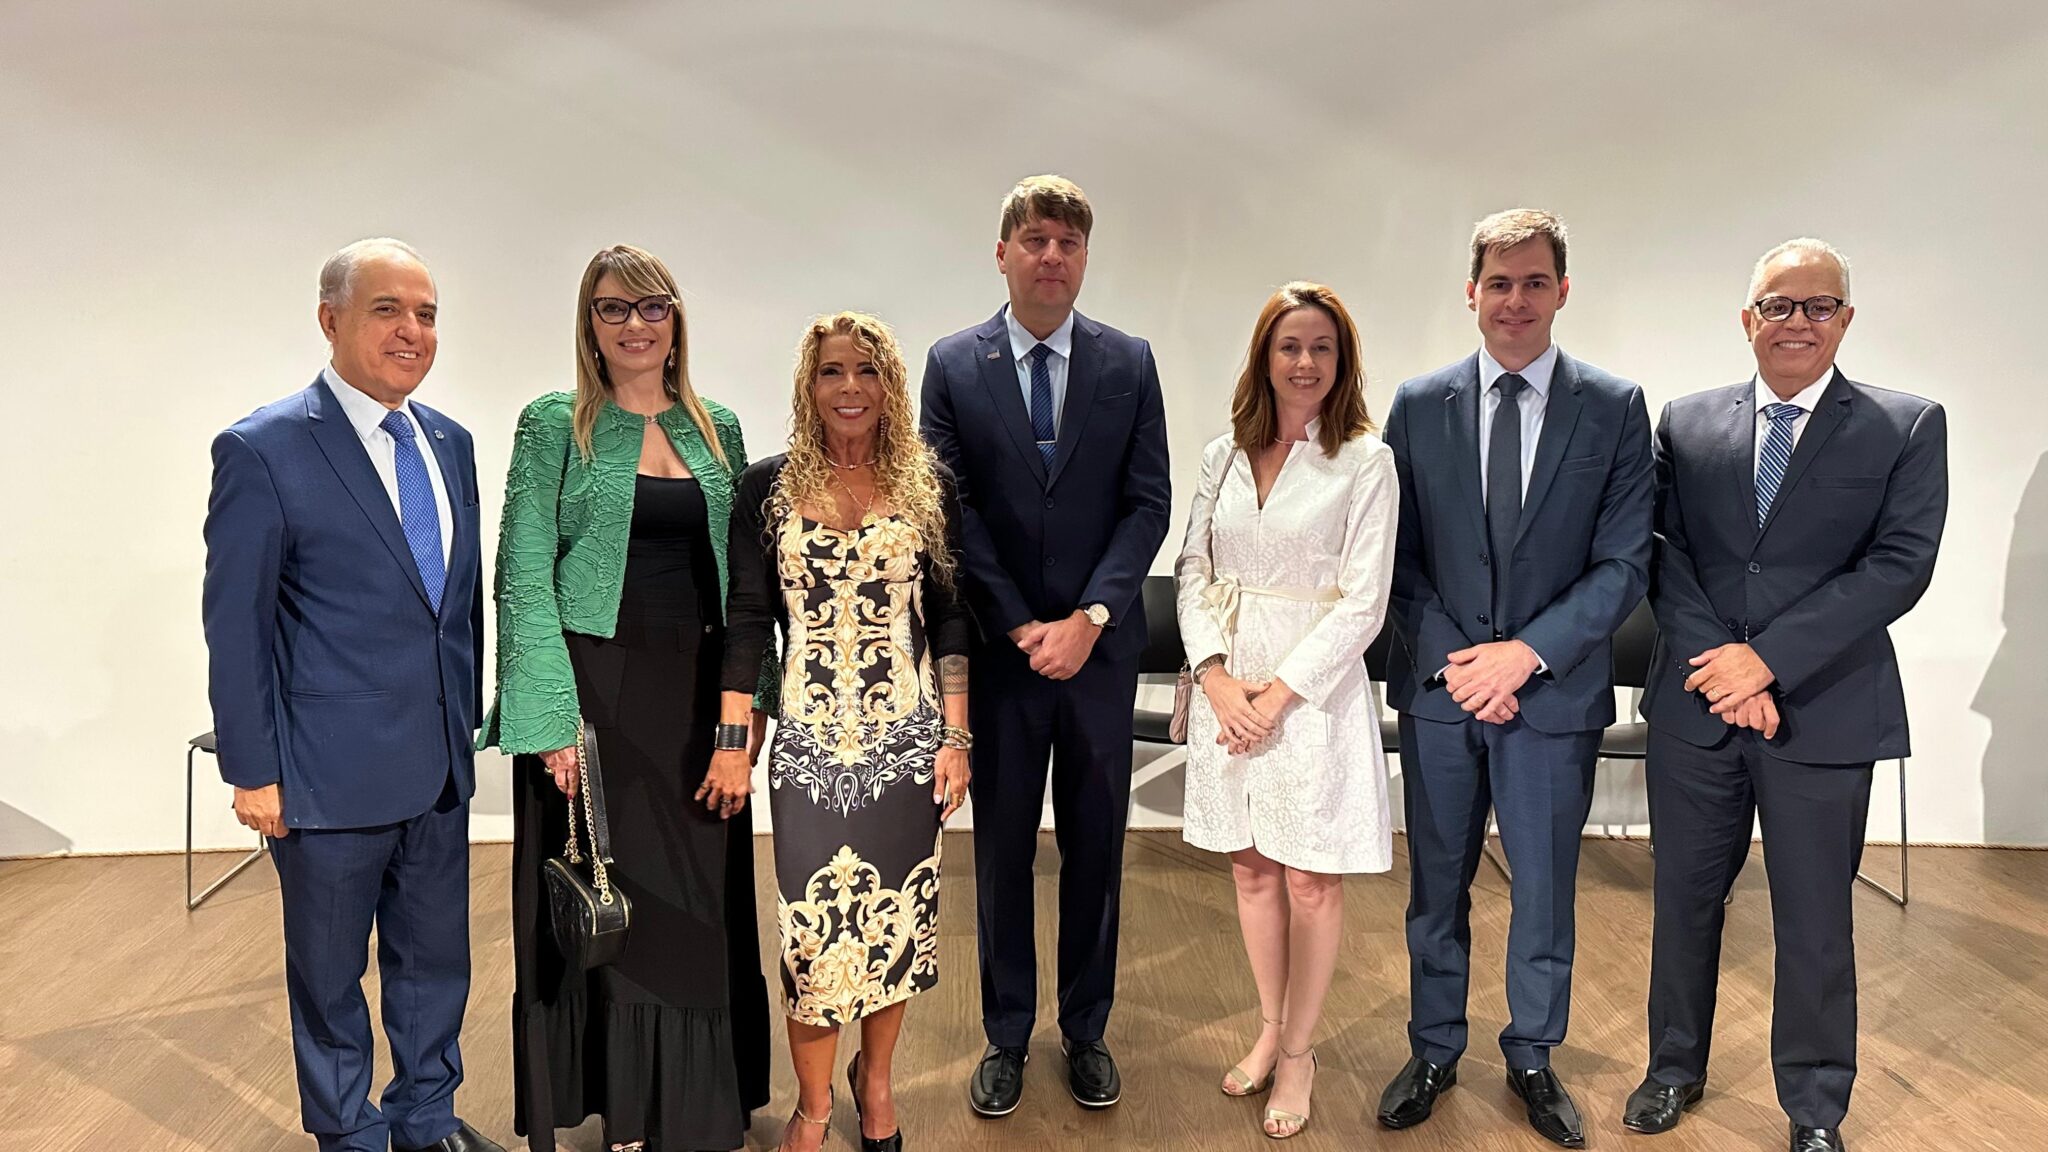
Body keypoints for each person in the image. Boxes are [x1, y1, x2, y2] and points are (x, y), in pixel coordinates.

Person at [1626, 239, 1947, 1152]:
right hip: (1698, 709)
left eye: (1818, 305)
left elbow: (1899, 565)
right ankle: (1672, 1069)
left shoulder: (1906, 425)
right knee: (1685, 902)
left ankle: (1814, 1109)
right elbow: (1663, 554)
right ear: (1748, 319)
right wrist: (1725, 669)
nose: (1797, 321)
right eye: (1778, 304)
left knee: (1815, 921)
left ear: (1846, 319)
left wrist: (1765, 663)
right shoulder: (1686, 422)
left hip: (1824, 709)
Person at [203, 239, 499, 1152]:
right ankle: (350, 1137)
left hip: (437, 769)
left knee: (435, 966)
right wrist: (253, 770)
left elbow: (457, 610)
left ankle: (426, 1120)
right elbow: (236, 625)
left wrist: (466, 725)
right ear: (330, 320)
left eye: (427, 314)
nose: (412, 331)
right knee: (330, 982)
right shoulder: (264, 449)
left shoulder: (449, 442)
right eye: (387, 310)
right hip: (325, 781)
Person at [481, 245, 776, 1152]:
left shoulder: (718, 428)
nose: (635, 324)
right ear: (590, 324)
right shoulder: (554, 424)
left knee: (696, 900)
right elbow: (522, 573)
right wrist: (548, 720)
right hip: (594, 698)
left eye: (652, 306)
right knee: (614, 900)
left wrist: (748, 706)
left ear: (676, 319)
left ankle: (694, 1108)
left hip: (697, 701)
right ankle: (627, 1112)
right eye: (613, 308)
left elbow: (749, 584)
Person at [1378, 209, 1653, 1148]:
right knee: (1436, 887)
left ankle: (1533, 1053)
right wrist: (1463, 665)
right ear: (1472, 293)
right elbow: (1395, 558)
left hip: (1552, 695)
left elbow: (1624, 563)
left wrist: (1524, 656)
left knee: (1543, 890)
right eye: (1499, 283)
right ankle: (1433, 1047)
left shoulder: (1614, 406)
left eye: (1535, 283)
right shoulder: (1419, 405)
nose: (1516, 300)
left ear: (1562, 291)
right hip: (1444, 694)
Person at [920, 173, 1172, 1117]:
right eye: (1035, 239)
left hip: (1098, 656)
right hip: (1003, 657)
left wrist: (1090, 617)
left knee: (1098, 848)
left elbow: (1148, 501)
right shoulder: (953, 364)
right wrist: (1022, 623)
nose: (1052, 256)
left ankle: (1088, 1029)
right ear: (1003, 253)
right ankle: (1005, 1032)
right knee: (1003, 853)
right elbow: (951, 508)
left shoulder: (1129, 362)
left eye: (1069, 241)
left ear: (1085, 257)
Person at [717, 311, 973, 1152]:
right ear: (809, 385)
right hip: (808, 753)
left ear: (890, 385)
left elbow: (951, 616)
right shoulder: (765, 489)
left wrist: (956, 738)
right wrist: (731, 745)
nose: (850, 387)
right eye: (832, 371)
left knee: (894, 927)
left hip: (906, 746)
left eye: (867, 371)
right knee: (813, 936)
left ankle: (878, 1083)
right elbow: (747, 622)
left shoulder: (928, 484)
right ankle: (814, 1103)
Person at [1174, 282, 1398, 1138]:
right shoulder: (1222, 454)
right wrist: (1216, 677)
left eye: (1321, 348)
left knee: (1310, 876)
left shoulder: (1366, 461)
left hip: (1313, 694)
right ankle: (1270, 1026)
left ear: (1343, 362)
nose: (1305, 362)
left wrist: (1277, 694)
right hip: (1229, 689)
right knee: (1250, 868)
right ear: (1264, 357)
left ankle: (1300, 1053)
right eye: (1289, 346)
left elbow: (1365, 601)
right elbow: (1194, 570)